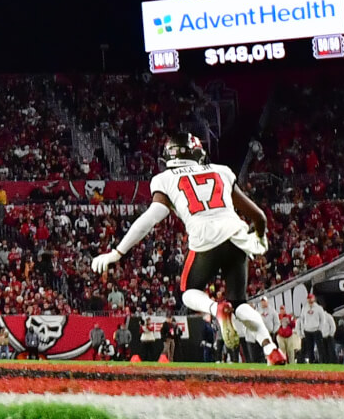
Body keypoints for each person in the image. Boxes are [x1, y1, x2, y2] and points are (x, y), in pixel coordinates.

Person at [92, 133, 285, 365]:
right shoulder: (221, 170)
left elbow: (150, 218)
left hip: (204, 238)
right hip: (236, 234)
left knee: (189, 291)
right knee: (240, 302)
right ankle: (270, 348)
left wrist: (118, 252)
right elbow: (259, 217)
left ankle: (216, 309)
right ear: (197, 153)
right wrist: (260, 240)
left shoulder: (164, 179)